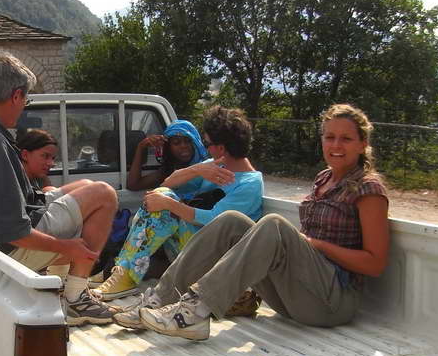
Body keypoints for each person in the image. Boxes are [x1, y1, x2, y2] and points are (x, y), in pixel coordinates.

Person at [114, 103, 389, 340]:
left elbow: (374, 263)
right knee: (230, 220)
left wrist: (312, 244)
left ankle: (196, 312)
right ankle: (158, 300)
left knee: (274, 224)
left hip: (332, 302)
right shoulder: (323, 179)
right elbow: (167, 184)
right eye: (329, 137)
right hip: (295, 294)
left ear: (363, 143)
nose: (335, 145)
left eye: (346, 139)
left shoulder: (368, 188)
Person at [0, 53, 119, 325]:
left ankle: (61, 284)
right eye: (26, 99)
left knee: (85, 185)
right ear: (15, 96)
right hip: (4, 248)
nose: (24, 106)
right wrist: (67, 247)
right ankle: (75, 297)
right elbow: (14, 232)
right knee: (105, 195)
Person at [96, 106, 263, 300]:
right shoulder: (216, 168)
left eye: (207, 144)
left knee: (165, 202)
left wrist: (169, 204)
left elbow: (216, 222)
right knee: (162, 195)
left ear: (221, 148)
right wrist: (196, 170)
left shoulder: (249, 183)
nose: (206, 148)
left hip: (215, 261)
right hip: (193, 249)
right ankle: (122, 272)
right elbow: (167, 183)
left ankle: (124, 274)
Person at [126, 120, 209, 191]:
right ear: (169, 148)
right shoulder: (167, 172)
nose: (183, 146)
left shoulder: (207, 168)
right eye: (176, 143)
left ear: (196, 143)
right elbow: (133, 185)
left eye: (188, 141)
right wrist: (141, 147)